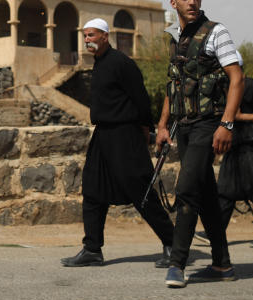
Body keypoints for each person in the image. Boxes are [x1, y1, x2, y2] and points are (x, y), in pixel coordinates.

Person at [61, 18, 176, 267]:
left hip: (126, 135)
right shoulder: (99, 64)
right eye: (85, 36)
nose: (87, 40)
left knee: (139, 190)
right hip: (103, 135)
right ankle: (92, 248)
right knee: (92, 188)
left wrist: (146, 133)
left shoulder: (121, 63)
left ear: (105, 36)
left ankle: (172, 244)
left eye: (91, 35)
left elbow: (141, 99)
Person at [156, 0, 244, 287]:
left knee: (187, 189)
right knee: (205, 192)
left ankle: (177, 262)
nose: (192, 2)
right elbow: (173, 84)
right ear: (174, 3)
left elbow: (237, 79)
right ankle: (222, 264)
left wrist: (227, 123)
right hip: (185, 125)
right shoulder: (175, 37)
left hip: (209, 123)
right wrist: (163, 125)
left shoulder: (216, 32)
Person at [215, 77, 253, 246]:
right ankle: (216, 232)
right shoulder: (220, 87)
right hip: (233, 147)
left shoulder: (252, 87)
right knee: (225, 190)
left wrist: (242, 117)